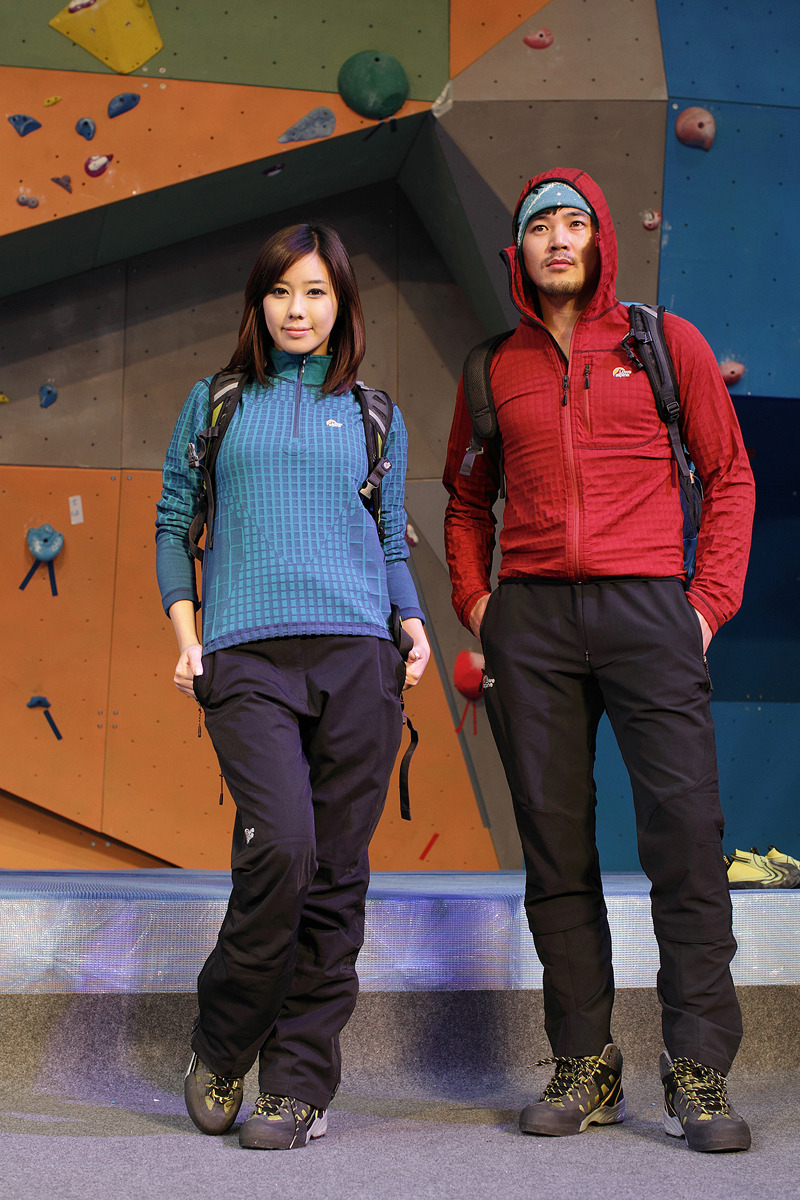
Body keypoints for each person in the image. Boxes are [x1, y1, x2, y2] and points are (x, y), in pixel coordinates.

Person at [443, 169, 755, 1153]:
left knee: (686, 838)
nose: (557, 238)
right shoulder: (491, 368)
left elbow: (728, 475)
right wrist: (480, 607)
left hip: (650, 609)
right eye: (539, 226)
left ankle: (697, 1066)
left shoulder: (665, 344)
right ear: (519, 253)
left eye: (573, 222)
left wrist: (704, 606)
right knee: (554, 851)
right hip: (531, 621)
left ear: (600, 240)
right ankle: (585, 1061)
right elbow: (465, 503)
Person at [156, 222, 430, 1150]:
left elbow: (389, 539)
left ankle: (299, 1082)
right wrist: (188, 636)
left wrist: (411, 622)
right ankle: (223, 1044)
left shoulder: (375, 414)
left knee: (337, 875)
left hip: (359, 657)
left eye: (315, 292)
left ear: (341, 304)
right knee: (280, 850)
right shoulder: (217, 402)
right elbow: (173, 524)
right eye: (281, 292)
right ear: (259, 303)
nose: (297, 309)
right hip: (246, 657)